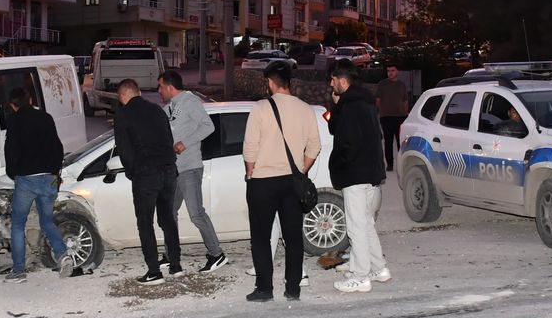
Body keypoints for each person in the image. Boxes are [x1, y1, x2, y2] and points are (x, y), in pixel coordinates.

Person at [241, 61, 321, 302]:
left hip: (263, 181)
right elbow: (314, 146)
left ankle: (265, 289)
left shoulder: (261, 108)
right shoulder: (305, 109)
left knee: (261, 237)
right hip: (292, 183)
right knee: (294, 237)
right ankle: (293, 288)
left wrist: (250, 173)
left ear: (270, 83)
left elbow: (250, 148)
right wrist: (300, 169)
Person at [327, 61, 389, 293]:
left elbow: (344, 139)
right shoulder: (365, 102)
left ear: (343, 81)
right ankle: (378, 268)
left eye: (333, 80)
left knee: (356, 227)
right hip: (371, 172)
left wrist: (339, 164)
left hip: (355, 173)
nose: (331, 84)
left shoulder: (349, 105)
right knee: (366, 223)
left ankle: (361, 276)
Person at [157, 70, 227, 273]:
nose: (159, 91)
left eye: (160, 86)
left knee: (196, 214)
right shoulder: (169, 108)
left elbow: (208, 127)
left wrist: (184, 143)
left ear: (170, 87)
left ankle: (217, 254)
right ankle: (171, 255)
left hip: (189, 167)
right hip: (174, 169)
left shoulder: (190, 101)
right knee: (169, 213)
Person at [2, 88, 74, 283]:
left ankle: (18, 270)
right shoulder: (46, 117)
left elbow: (10, 150)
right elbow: (57, 147)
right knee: (47, 220)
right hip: (49, 176)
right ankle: (63, 255)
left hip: (27, 179)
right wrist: (55, 172)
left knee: (18, 223)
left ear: (12, 105)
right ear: (30, 99)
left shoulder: (14, 121)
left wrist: (14, 173)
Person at [113, 78, 181, 285]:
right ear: (138, 92)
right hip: (169, 169)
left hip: (146, 173)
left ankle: (154, 271)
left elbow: (125, 150)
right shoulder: (157, 110)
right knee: (167, 218)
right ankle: (176, 265)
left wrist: (134, 172)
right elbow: (168, 139)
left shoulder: (123, 115)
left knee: (145, 222)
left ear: (123, 96)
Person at [374, 65, 409, 171]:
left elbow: (405, 100)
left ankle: (402, 164)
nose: (390, 73)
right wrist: (382, 112)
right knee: (388, 142)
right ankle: (390, 164)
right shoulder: (382, 84)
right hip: (386, 117)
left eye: (392, 70)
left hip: (400, 117)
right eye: (388, 70)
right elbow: (378, 100)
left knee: (401, 143)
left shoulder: (402, 85)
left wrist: (406, 114)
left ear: (397, 71)